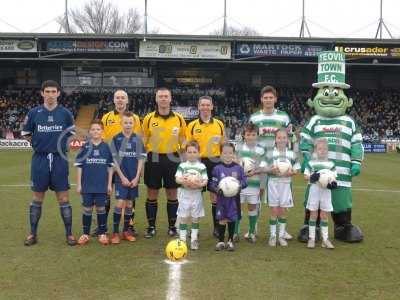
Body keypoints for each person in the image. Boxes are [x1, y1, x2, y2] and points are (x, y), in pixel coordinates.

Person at [22, 80, 77, 246]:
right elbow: (26, 133)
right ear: (42, 93)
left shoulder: (66, 113)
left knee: (64, 198)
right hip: (40, 159)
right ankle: (32, 233)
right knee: (37, 197)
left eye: (54, 91)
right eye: (48, 91)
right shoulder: (34, 113)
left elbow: (71, 134)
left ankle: (69, 234)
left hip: (59, 159)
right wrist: (38, 144)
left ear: (58, 93)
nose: (51, 94)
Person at [249, 85, 294, 240]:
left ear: (275, 99)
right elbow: (249, 138)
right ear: (261, 99)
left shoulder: (283, 117)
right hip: (261, 162)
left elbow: (290, 137)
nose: (268, 100)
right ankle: (253, 227)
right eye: (265, 97)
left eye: (271, 97)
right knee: (258, 195)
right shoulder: (254, 118)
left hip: (279, 163)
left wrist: (288, 159)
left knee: (282, 196)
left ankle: (282, 230)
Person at [142, 87, 187, 238]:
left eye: (165, 96)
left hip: (172, 158)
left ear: (170, 98)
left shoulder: (179, 118)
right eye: (160, 96)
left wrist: (182, 153)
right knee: (152, 192)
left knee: (172, 193)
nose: (163, 98)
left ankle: (172, 226)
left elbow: (183, 139)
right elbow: (143, 138)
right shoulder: (148, 118)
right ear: (156, 99)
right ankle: (151, 227)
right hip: (153, 158)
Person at [100, 90, 142, 236]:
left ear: (127, 100)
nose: (120, 100)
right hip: (108, 161)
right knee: (106, 193)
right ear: (113, 100)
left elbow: (137, 139)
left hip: (128, 162)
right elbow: (102, 138)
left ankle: (129, 226)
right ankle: (102, 226)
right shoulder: (106, 117)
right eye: (117, 97)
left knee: (130, 195)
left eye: (122, 97)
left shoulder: (135, 118)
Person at [186, 96, 225, 238]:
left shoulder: (219, 124)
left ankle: (216, 228)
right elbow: (188, 148)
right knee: (194, 196)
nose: (205, 107)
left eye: (208, 105)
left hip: (215, 162)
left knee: (215, 197)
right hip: (197, 162)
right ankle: (193, 228)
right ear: (198, 107)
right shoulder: (192, 126)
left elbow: (223, 145)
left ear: (212, 107)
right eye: (202, 105)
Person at [75, 120, 113, 245]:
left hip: (101, 185)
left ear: (102, 131)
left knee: (101, 209)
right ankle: (85, 234)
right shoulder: (85, 147)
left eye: (98, 129)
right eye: (93, 129)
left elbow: (110, 167)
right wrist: (79, 184)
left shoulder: (106, 147)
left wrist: (109, 184)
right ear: (89, 132)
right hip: (87, 185)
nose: (95, 131)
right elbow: (79, 166)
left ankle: (102, 234)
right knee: (87, 209)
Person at [110, 112, 146, 244]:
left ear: (134, 124)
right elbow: (114, 160)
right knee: (120, 203)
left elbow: (141, 159)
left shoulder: (137, 139)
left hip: (133, 178)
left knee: (130, 204)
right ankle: (115, 233)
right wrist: (122, 177)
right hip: (121, 177)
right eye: (125, 122)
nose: (128, 125)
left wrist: (137, 177)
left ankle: (126, 231)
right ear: (121, 123)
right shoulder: (116, 139)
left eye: (130, 122)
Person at [210, 143, 247, 252]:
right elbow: (212, 183)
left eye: (230, 153)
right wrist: (217, 190)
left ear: (233, 154)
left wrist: (239, 186)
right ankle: (221, 241)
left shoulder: (238, 168)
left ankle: (230, 241)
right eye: (225, 153)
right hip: (221, 200)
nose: (227, 155)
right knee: (222, 219)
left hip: (234, 200)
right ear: (221, 154)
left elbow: (245, 182)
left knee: (231, 219)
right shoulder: (217, 168)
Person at [266, 129, 300, 247]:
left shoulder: (291, 154)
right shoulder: (270, 153)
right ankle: (272, 236)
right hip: (273, 184)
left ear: (287, 139)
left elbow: (296, 168)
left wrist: (291, 172)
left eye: (284, 137)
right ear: (275, 139)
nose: (281, 140)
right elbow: (262, 168)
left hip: (285, 184)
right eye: (279, 137)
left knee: (283, 211)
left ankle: (281, 236)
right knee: (274, 210)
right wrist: (270, 170)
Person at [236, 123, 267, 243]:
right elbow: (234, 164)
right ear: (244, 135)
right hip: (240, 184)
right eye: (248, 134)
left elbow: (264, 167)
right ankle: (236, 232)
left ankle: (252, 232)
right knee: (238, 207)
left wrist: (255, 171)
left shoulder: (260, 150)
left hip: (254, 183)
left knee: (252, 207)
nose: (250, 137)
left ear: (257, 136)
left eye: (253, 134)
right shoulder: (239, 148)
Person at [304, 138, 337, 249]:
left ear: (328, 150)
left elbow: (334, 178)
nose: (322, 151)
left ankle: (325, 239)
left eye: (324, 149)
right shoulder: (311, 163)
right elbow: (305, 176)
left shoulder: (331, 164)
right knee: (313, 215)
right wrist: (312, 177)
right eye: (319, 149)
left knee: (324, 215)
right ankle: (312, 238)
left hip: (326, 192)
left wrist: (333, 184)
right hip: (314, 191)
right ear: (315, 150)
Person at [175, 141, 208, 250]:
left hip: (197, 195)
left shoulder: (202, 166)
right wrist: (184, 181)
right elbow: (177, 179)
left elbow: (205, 181)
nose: (192, 154)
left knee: (195, 218)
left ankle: (194, 240)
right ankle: (182, 240)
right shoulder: (182, 165)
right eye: (189, 152)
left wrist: (198, 184)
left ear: (198, 153)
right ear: (186, 153)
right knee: (183, 218)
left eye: (194, 152)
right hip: (184, 195)